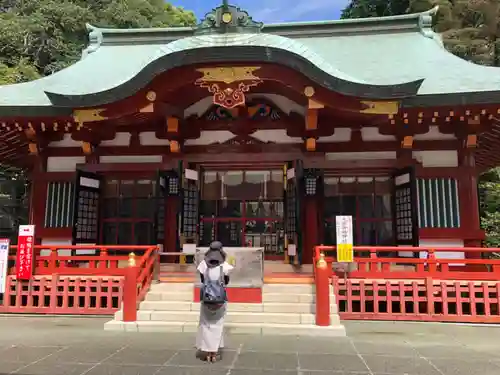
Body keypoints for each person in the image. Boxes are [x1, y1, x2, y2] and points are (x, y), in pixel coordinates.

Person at [196, 241, 233, 363]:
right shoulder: (225, 266)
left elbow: (203, 280)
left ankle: (207, 353)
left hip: (206, 299)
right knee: (218, 325)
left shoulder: (203, 265)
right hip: (220, 300)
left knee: (206, 325)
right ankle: (214, 353)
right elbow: (226, 282)